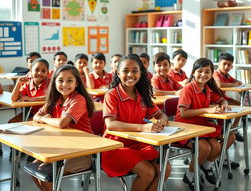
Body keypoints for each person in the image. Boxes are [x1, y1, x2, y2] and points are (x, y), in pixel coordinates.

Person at [102, 54, 171, 191]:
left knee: (165, 168)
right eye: (125, 71)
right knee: (148, 172)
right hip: (115, 147)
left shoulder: (142, 94)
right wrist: (144, 127)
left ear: (140, 73)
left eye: (135, 71)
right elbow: (111, 124)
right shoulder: (112, 95)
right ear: (117, 73)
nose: (130, 75)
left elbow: (160, 114)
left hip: (138, 144)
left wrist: (162, 120)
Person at [175, 58, 235, 190]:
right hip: (186, 126)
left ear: (211, 73)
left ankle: (206, 166)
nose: (203, 74)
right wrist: (207, 110)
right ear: (193, 72)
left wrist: (224, 104)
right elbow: (184, 113)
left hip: (201, 124)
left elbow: (221, 99)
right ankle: (189, 174)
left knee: (228, 139)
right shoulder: (188, 89)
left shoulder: (207, 88)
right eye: (200, 71)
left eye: (207, 71)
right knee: (206, 148)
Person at [32, 64, 95, 191]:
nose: (64, 84)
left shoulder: (79, 99)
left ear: (77, 83)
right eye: (60, 80)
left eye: (70, 81)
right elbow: (36, 115)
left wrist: (44, 119)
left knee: (45, 173)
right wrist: (44, 118)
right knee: (35, 170)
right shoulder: (56, 99)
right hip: (63, 148)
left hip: (83, 152)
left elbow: (62, 123)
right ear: (54, 82)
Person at [213, 52, 244, 142]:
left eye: (229, 65)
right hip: (215, 100)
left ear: (232, 66)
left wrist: (236, 83)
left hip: (224, 98)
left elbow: (238, 82)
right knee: (237, 107)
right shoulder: (216, 74)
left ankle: (234, 129)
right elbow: (219, 84)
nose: (226, 67)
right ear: (219, 64)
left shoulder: (227, 75)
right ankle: (230, 129)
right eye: (224, 64)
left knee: (241, 106)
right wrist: (234, 84)